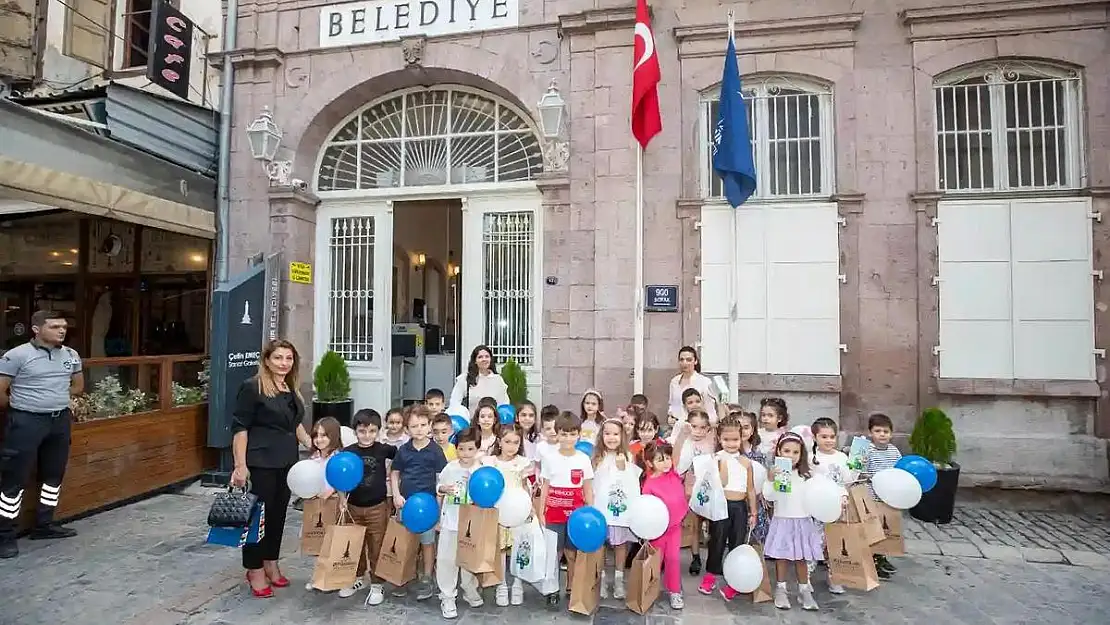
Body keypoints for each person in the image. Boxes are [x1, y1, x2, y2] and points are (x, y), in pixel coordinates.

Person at [230, 339, 313, 598]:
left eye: (288, 358)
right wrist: (240, 466)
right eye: (278, 358)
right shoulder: (252, 387)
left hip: (287, 462)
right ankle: (254, 569)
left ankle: (271, 563)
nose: (283, 363)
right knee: (258, 519)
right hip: (260, 462)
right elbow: (240, 428)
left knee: (277, 517)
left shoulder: (289, 387)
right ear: (266, 360)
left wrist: (313, 445)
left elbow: (295, 425)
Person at [0, 310, 84, 559]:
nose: (62, 331)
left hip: (59, 422)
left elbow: (78, 385)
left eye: (64, 327)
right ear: (36, 329)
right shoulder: (16, 355)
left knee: (53, 475)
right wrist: (22, 409)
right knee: (13, 479)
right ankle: (4, 534)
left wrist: (57, 397)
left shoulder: (71, 354)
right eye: (55, 326)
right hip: (26, 421)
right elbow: (1, 391)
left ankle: (44, 525)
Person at [339, 409, 396, 605]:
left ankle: (377, 583)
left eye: (372, 431)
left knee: (376, 545)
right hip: (353, 506)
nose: (367, 435)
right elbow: (339, 476)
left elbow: (401, 457)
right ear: (355, 431)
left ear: (379, 431)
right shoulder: (349, 452)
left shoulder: (383, 449)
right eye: (362, 431)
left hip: (377, 507)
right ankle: (359, 578)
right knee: (354, 544)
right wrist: (341, 499)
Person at [390, 405, 447, 600]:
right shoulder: (404, 450)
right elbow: (395, 472)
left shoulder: (436, 451)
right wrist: (396, 495)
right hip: (406, 505)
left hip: (428, 506)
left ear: (430, 426)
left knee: (427, 542)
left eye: (423, 425)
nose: (420, 429)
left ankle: (427, 577)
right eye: (414, 426)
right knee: (406, 542)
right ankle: (405, 576)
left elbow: (442, 479)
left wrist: (439, 509)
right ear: (407, 429)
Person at [698, 416, 758, 600]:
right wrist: (721, 463)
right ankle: (710, 576)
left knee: (737, 543)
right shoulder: (715, 459)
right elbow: (720, 483)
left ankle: (734, 580)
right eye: (726, 440)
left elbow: (750, 488)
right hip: (721, 506)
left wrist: (753, 511)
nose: (731, 444)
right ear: (719, 439)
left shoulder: (747, 463)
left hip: (740, 507)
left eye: (735, 439)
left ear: (742, 439)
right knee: (716, 541)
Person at [538, 412, 594, 607]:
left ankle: (572, 586)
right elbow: (545, 486)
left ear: (579, 435)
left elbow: (587, 488)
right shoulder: (549, 458)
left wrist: (590, 512)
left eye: (572, 434)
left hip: (576, 515)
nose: (567, 439)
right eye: (563, 434)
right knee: (553, 553)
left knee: (572, 553)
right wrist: (541, 511)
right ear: (557, 434)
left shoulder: (583, 459)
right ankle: (551, 588)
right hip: (553, 512)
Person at [762, 432, 822, 611]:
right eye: (786, 451)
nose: (790, 455)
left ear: (801, 454)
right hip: (783, 520)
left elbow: (816, 494)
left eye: (795, 452)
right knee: (782, 557)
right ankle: (781, 589)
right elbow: (769, 496)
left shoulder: (806, 475)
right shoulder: (776, 473)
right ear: (779, 451)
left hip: (802, 521)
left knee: (801, 558)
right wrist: (771, 480)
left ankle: (805, 590)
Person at [434, 427, 485, 618]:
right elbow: (439, 487)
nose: (466, 454)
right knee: (447, 560)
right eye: (462, 449)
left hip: (471, 523)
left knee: (469, 559)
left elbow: (488, 495)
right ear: (456, 448)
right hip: (450, 522)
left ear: (477, 449)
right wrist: (443, 489)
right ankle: (447, 596)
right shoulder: (451, 467)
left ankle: (469, 588)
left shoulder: (480, 470)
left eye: (471, 449)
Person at [482, 424, 533, 606]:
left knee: (519, 548)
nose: (512, 446)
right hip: (499, 512)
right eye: (507, 441)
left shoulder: (522, 463)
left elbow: (526, 487)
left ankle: (517, 584)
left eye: (516, 442)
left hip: (518, 510)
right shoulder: (491, 462)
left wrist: (530, 509)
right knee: (501, 550)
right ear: (499, 442)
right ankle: (501, 585)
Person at [590, 418, 640, 600]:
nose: (611, 437)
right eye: (607, 433)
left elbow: (630, 481)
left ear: (622, 436)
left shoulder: (627, 455)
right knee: (601, 545)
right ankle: (601, 578)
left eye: (615, 434)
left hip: (618, 509)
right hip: (600, 509)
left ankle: (619, 578)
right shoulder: (596, 457)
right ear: (601, 436)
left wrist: (622, 466)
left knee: (620, 544)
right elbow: (593, 482)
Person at [640, 440, 688, 609]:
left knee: (673, 558)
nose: (666, 462)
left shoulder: (673, 473)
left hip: (675, 527)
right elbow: (645, 509)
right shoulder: (649, 485)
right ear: (650, 463)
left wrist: (683, 433)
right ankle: (646, 589)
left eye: (667, 458)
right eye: (660, 460)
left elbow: (678, 451)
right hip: (658, 530)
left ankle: (675, 591)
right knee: (656, 561)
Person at [670, 408, 715, 576]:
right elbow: (675, 463)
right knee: (694, 524)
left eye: (702, 427)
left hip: (707, 487)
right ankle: (695, 556)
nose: (698, 431)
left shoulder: (711, 441)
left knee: (711, 524)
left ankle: (713, 557)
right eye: (694, 426)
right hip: (688, 486)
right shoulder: (684, 441)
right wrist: (682, 436)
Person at [809, 417, 852, 594]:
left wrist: (844, 496)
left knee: (834, 543)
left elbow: (846, 481)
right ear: (815, 437)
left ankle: (834, 577)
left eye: (832, 436)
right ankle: (807, 577)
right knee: (814, 542)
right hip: (816, 508)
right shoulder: (812, 458)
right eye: (824, 436)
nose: (828, 440)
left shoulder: (841, 457)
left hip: (837, 507)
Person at [864, 412, 902, 579]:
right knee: (872, 530)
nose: (882, 435)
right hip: (871, 496)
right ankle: (873, 560)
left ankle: (881, 556)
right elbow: (861, 472)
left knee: (885, 529)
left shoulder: (894, 451)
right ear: (870, 433)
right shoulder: (867, 450)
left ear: (891, 434)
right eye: (878, 431)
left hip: (887, 498)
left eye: (885, 432)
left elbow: (899, 470)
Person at [448, 345, 509, 415]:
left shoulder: (498, 380)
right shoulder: (465, 379)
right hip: (470, 423)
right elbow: (454, 402)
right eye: (480, 357)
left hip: (492, 423)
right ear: (475, 361)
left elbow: (504, 404)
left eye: (487, 356)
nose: (484, 359)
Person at [666, 346, 721, 424]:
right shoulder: (674, 381)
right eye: (682, 360)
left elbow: (710, 409)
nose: (684, 363)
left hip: (698, 426)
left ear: (695, 361)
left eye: (688, 360)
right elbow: (672, 404)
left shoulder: (705, 382)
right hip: (677, 425)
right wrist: (671, 417)